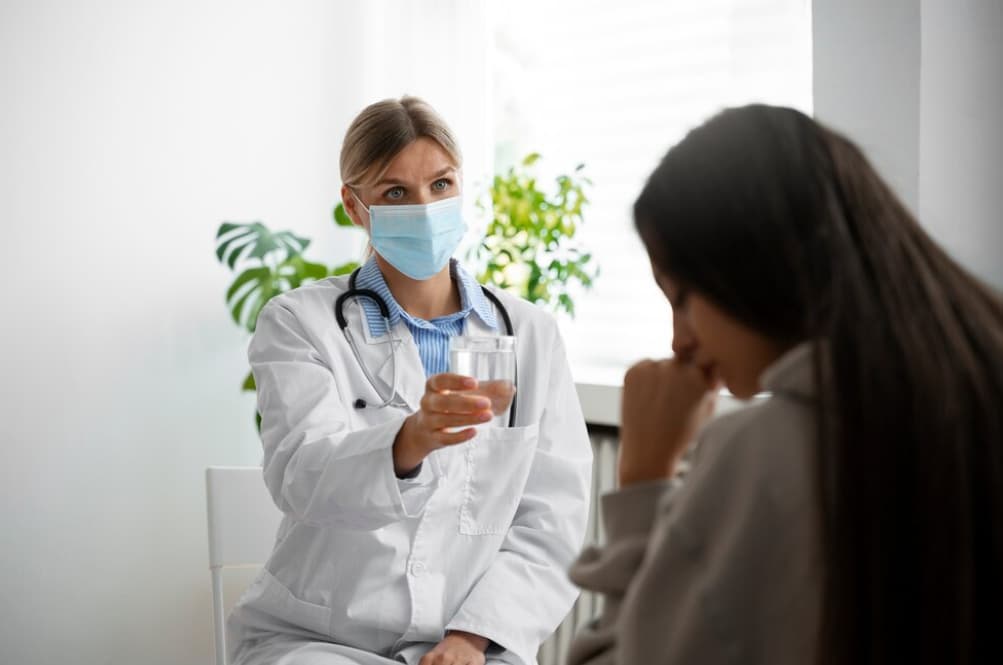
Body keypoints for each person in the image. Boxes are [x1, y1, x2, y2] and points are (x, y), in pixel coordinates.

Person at [567, 104, 1003, 665]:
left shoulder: (763, 453)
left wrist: (643, 483)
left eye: (682, 299)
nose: (680, 341)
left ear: (751, 270)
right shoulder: (975, 385)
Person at [227, 96, 593, 665]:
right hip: (322, 639)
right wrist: (410, 439)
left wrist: (473, 637)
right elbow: (300, 475)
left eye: (441, 184)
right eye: (395, 192)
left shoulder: (530, 334)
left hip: (472, 644)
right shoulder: (301, 322)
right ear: (355, 205)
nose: (424, 207)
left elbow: (554, 519)